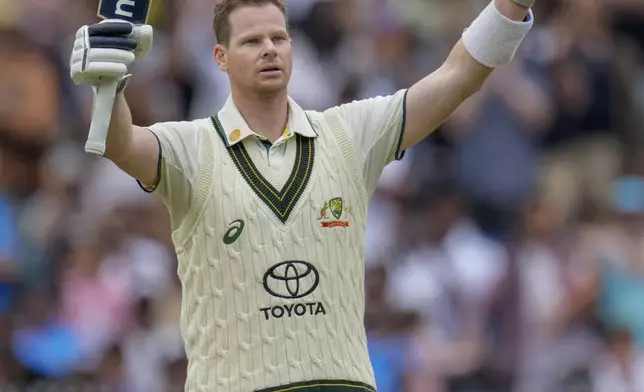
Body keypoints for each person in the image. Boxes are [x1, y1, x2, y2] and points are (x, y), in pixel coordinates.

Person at [68, 0, 535, 391]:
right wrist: (109, 82)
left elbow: (458, 78)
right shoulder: (191, 148)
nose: (269, 49)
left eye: (279, 38)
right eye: (252, 41)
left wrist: (513, 4)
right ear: (220, 57)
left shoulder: (349, 135)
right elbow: (119, 142)